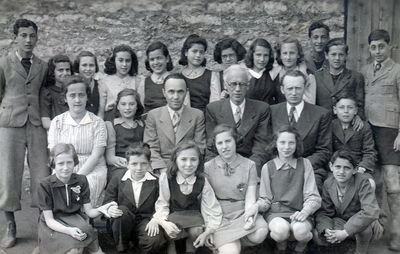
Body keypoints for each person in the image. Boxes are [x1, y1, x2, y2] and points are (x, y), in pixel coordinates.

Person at [0, 19, 49, 248]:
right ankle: (10, 225)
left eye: (32, 35)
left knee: (42, 174)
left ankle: (44, 225)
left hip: (36, 124)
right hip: (10, 125)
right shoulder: (4, 63)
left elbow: (44, 94)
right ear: (15, 38)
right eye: (23, 35)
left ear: (37, 37)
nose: (28, 40)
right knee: (9, 177)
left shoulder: (42, 65)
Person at [361, 29, 400, 251]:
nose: (377, 51)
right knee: (372, 181)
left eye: (381, 46)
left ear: (389, 47)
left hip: (390, 133)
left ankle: (397, 233)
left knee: (393, 184)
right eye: (373, 47)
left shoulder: (397, 71)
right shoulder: (365, 71)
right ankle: (377, 229)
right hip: (369, 130)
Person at [37, 143, 115, 254]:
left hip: (76, 220)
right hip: (54, 223)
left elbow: (89, 212)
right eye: (61, 163)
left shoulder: (81, 180)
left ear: (75, 162)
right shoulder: (45, 185)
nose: (65, 167)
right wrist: (69, 231)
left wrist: (101, 209)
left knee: (81, 247)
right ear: (53, 164)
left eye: (69, 162)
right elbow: (49, 220)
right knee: (73, 251)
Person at [204, 124, 268, 254]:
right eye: (220, 143)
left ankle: (236, 240)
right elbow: (207, 202)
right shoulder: (208, 167)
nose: (224, 146)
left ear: (235, 141)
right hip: (220, 215)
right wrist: (209, 227)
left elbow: (250, 197)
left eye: (228, 141)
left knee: (260, 232)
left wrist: (249, 218)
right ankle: (230, 242)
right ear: (215, 145)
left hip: (242, 212)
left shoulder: (249, 165)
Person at [258, 125, 321, 254]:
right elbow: (265, 198)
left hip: (299, 212)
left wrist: (305, 211)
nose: (286, 147)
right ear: (275, 143)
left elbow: (313, 196)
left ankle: (301, 246)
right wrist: (256, 207)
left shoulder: (305, 164)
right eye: (282, 142)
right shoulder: (268, 167)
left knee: (300, 231)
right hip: (276, 214)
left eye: (291, 143)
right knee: (281, 231)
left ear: (297, 144)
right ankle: (281, 246)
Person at [48, 75, 108, 207]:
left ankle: (86, 220)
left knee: (86, 185)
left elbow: (96, 155)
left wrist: (77, 177)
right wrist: (66, 174)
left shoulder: (97, 122)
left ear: (87, 97)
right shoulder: (57, 122)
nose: (77, 100)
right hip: (63, 166)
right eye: (72, 95)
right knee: (57, 188)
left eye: (81, 95)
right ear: (65, 98)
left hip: (92, 168)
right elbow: (55, 155)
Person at [154, 141, 222, 254]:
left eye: (193, 159)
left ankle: (194, 247)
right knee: (173, 232)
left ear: (199, 161)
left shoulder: (202, 180)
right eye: (183, 159)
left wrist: (209, 231)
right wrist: (164, 222)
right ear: (175, 160)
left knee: (197, 233)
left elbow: (212, 208)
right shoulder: (166, 178)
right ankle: (176, 246)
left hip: (194, 217)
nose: (189, 164)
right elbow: (162, 203)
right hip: (174, 217)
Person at [270, 70, 332, 190]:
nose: (294, 93)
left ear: (305, 88)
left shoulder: (321, 114)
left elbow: (324, 150)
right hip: (278, 166)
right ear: (282, 90)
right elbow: (267, 145)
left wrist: (299, 167)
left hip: (309, 168)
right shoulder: (271, 111)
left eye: (298, 88)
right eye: (290, 88)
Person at [205, 64, 270, 174]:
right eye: (233, 84)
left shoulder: (261, 109)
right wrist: (221, 170)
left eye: (242, 84)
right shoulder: (213, 109)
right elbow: (211, 146)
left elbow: (261, 146)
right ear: (226, 85)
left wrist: (248, 169)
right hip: (222, 169)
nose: (238, 89)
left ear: (248, 86)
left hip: (251, 167)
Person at [103, 142, 167, 253]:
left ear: (149, 164)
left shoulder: (155, 182)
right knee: (120, 211)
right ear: (127, 164)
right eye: (134, 164)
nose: (139, 168)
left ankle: (140, 248)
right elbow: (108, 201)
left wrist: (155, 220)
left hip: (145, 221)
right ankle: (122, 248)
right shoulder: (118, 178)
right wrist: (110, 209)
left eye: (143, 164)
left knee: (155, 240)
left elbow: (161, 205)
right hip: (123, 224)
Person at [315, 150, 382, 254]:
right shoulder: (328, 183)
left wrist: (345, 232)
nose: (341, 172)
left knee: (364, 230)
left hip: (362, 223)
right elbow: (325, 211)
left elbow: (370, 211)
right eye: (338, 167)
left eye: (347, 168)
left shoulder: (362, 181)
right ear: (331, 166)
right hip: (341, 221)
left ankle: (360, 252)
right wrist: (326, 229)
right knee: (320, 235)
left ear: (355, 170)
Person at [144, 73, 205, 173]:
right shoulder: (153, 115)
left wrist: (185, 169)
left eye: (180, 92)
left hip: (188, 168)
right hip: (161, 169)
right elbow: (151, 148)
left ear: (186, 92)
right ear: (164, 92)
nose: (176, 97)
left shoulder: (197, 115)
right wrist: (163, 170)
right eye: (171, 92)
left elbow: (199, 147)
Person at [315, 38, 365, 128]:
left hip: (346, 124)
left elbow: (360, 103)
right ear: (326, 55)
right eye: (333, 54)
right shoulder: (317, 76)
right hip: (323, 124)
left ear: (346, 56)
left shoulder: (355, 77)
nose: (337, 58)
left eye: (341, 55)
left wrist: (358, 116)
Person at [331, 94, 377, 185]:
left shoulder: (364, 127)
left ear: (356, 110)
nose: (346, 111)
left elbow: (369, 152)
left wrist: (361, 168)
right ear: (335, 110)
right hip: (336, 169)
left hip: (358, 168)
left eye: (350, 108)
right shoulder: (330, 125)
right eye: (341, 107)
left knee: (369, 184)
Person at [105, 89, 145, 178]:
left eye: (131, 104)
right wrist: (128, 164)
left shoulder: (142, 125)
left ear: (137, 106)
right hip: (119, 165)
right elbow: (110, 158)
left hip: (139, 163)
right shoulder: (111, 125)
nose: (127, 108)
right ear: (118, 106)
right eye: (123, 104)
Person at [179, 34, 221, 111]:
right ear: (186, 52)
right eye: (194, 51)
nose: (198, 55)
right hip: (185, 117)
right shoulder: (179, 77)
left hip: (206, 117)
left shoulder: (211, 76)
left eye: (201, 52)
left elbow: (215, 103)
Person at [98, 44, 139, 120]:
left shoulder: (137, 80)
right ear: (114, 61)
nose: (124, 64)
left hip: (132, 121)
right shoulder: (104, 81)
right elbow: (101, 111)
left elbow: (140, 107)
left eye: (128, 61)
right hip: (111, 121)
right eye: (120, 60)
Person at [271, 37, 317, 104]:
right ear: (280, 55)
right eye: (284, 53)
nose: (288, 57)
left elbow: (311, 103)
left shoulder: (307, 75)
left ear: (298, 54)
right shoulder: (275, 74)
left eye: (292, 53)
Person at [40, 54, 73, 129]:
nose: (65, 73)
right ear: (53, 72)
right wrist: (69, 126)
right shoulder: (47, 92)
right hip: (57, 133)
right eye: (60, 70)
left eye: (67, 70)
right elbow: (46, 122)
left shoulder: (74, 90)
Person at [244, 38, 278, 105]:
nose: (262, 59)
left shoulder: (273, 72)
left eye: (265, 55)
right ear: (252, 55)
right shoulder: (244, 73)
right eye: (258, 55)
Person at [73, 51, 101, 115]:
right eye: (84, 65)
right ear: (78, 67)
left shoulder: (100, 85)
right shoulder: (73, 85)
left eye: (91, 65)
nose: (88, 69)